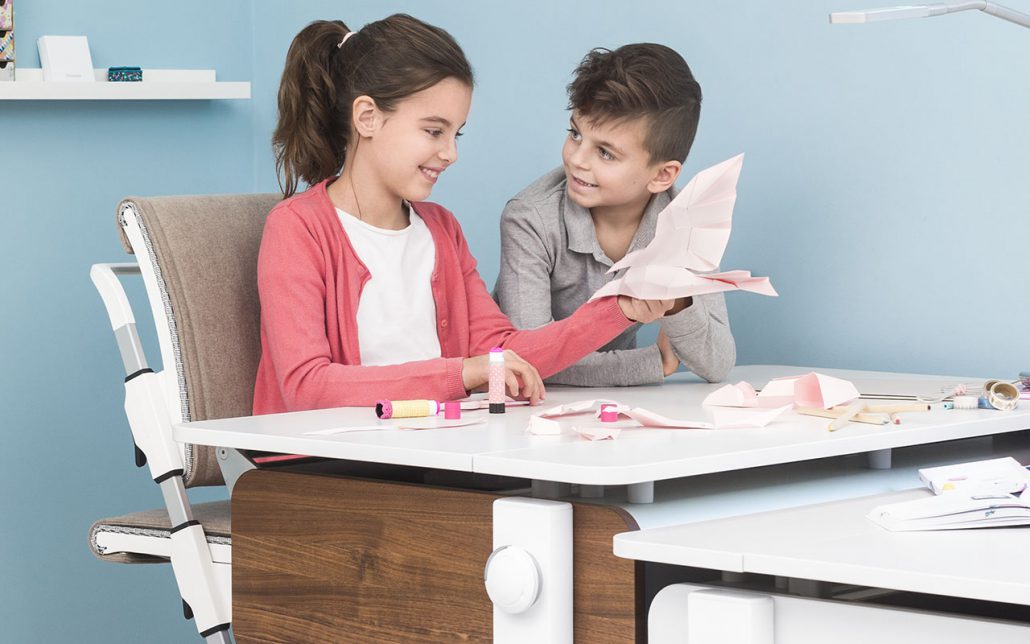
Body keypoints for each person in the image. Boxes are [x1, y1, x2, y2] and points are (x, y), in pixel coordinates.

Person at [253, 15, 680, 414]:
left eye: (455, 134)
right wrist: (461, 374)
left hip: (432, 448)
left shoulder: (441, 229)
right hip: (328, 458)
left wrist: (619, 309)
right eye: (433, 131)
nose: (450, 153)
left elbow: (503, 350)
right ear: (367, 118)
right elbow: (306, 386)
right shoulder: (298, 228)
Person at [495, 44, 736, 387]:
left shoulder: (685, 224)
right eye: (575, 134)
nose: (577, 159)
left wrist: (679, 302)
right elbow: (528, 359)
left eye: (605, 153)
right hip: (527, 403)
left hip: (615, 404)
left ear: (662, 175)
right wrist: (654, 363)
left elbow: (718, 364)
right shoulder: (530, 218)